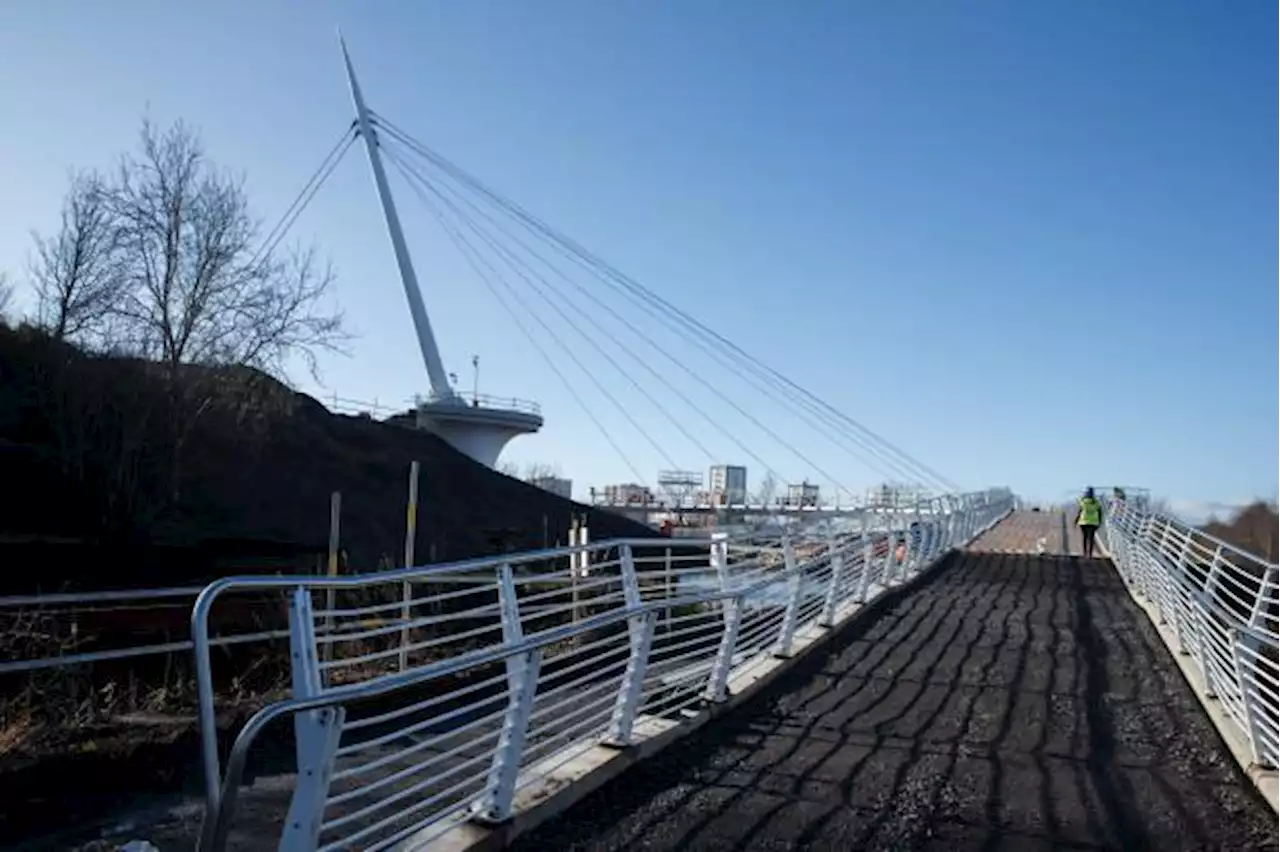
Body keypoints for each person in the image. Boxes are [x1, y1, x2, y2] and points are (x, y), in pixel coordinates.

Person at [1077, 487, 1103, 557]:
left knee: (1085, 538)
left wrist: (1076, 521)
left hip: (1083, 522)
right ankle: (1090, 554)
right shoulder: (1096, 503)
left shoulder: (1083, 502)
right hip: (1093, 522)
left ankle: (1085, 553)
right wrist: (1100, 521)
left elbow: (1079, 512)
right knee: (1091, 538)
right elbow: (1100, 512)